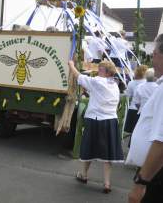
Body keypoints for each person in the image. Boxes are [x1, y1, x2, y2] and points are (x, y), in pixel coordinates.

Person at [68, 60, 123, 193]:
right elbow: (99, 94)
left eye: (100, 69)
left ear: (107, 72)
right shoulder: (114, 84)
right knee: (108, 154)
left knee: (89, 148)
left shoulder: (98, 81)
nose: (98, 71)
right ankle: (107, 183)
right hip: (110, 120)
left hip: (95, 119)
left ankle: (84, 175)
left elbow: (79, 77)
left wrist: (71, 65)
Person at [127, 33, 163, 203]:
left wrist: (141, 182)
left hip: (155, 175)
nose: (152, 57)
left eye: (154, 53)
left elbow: (161, 141)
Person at [124, 65, 148, 135]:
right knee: (141, 132)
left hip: (133, 109)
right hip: (142, 109)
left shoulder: (131, 83)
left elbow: (128, 95)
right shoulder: (147, 82)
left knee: (132, 132)